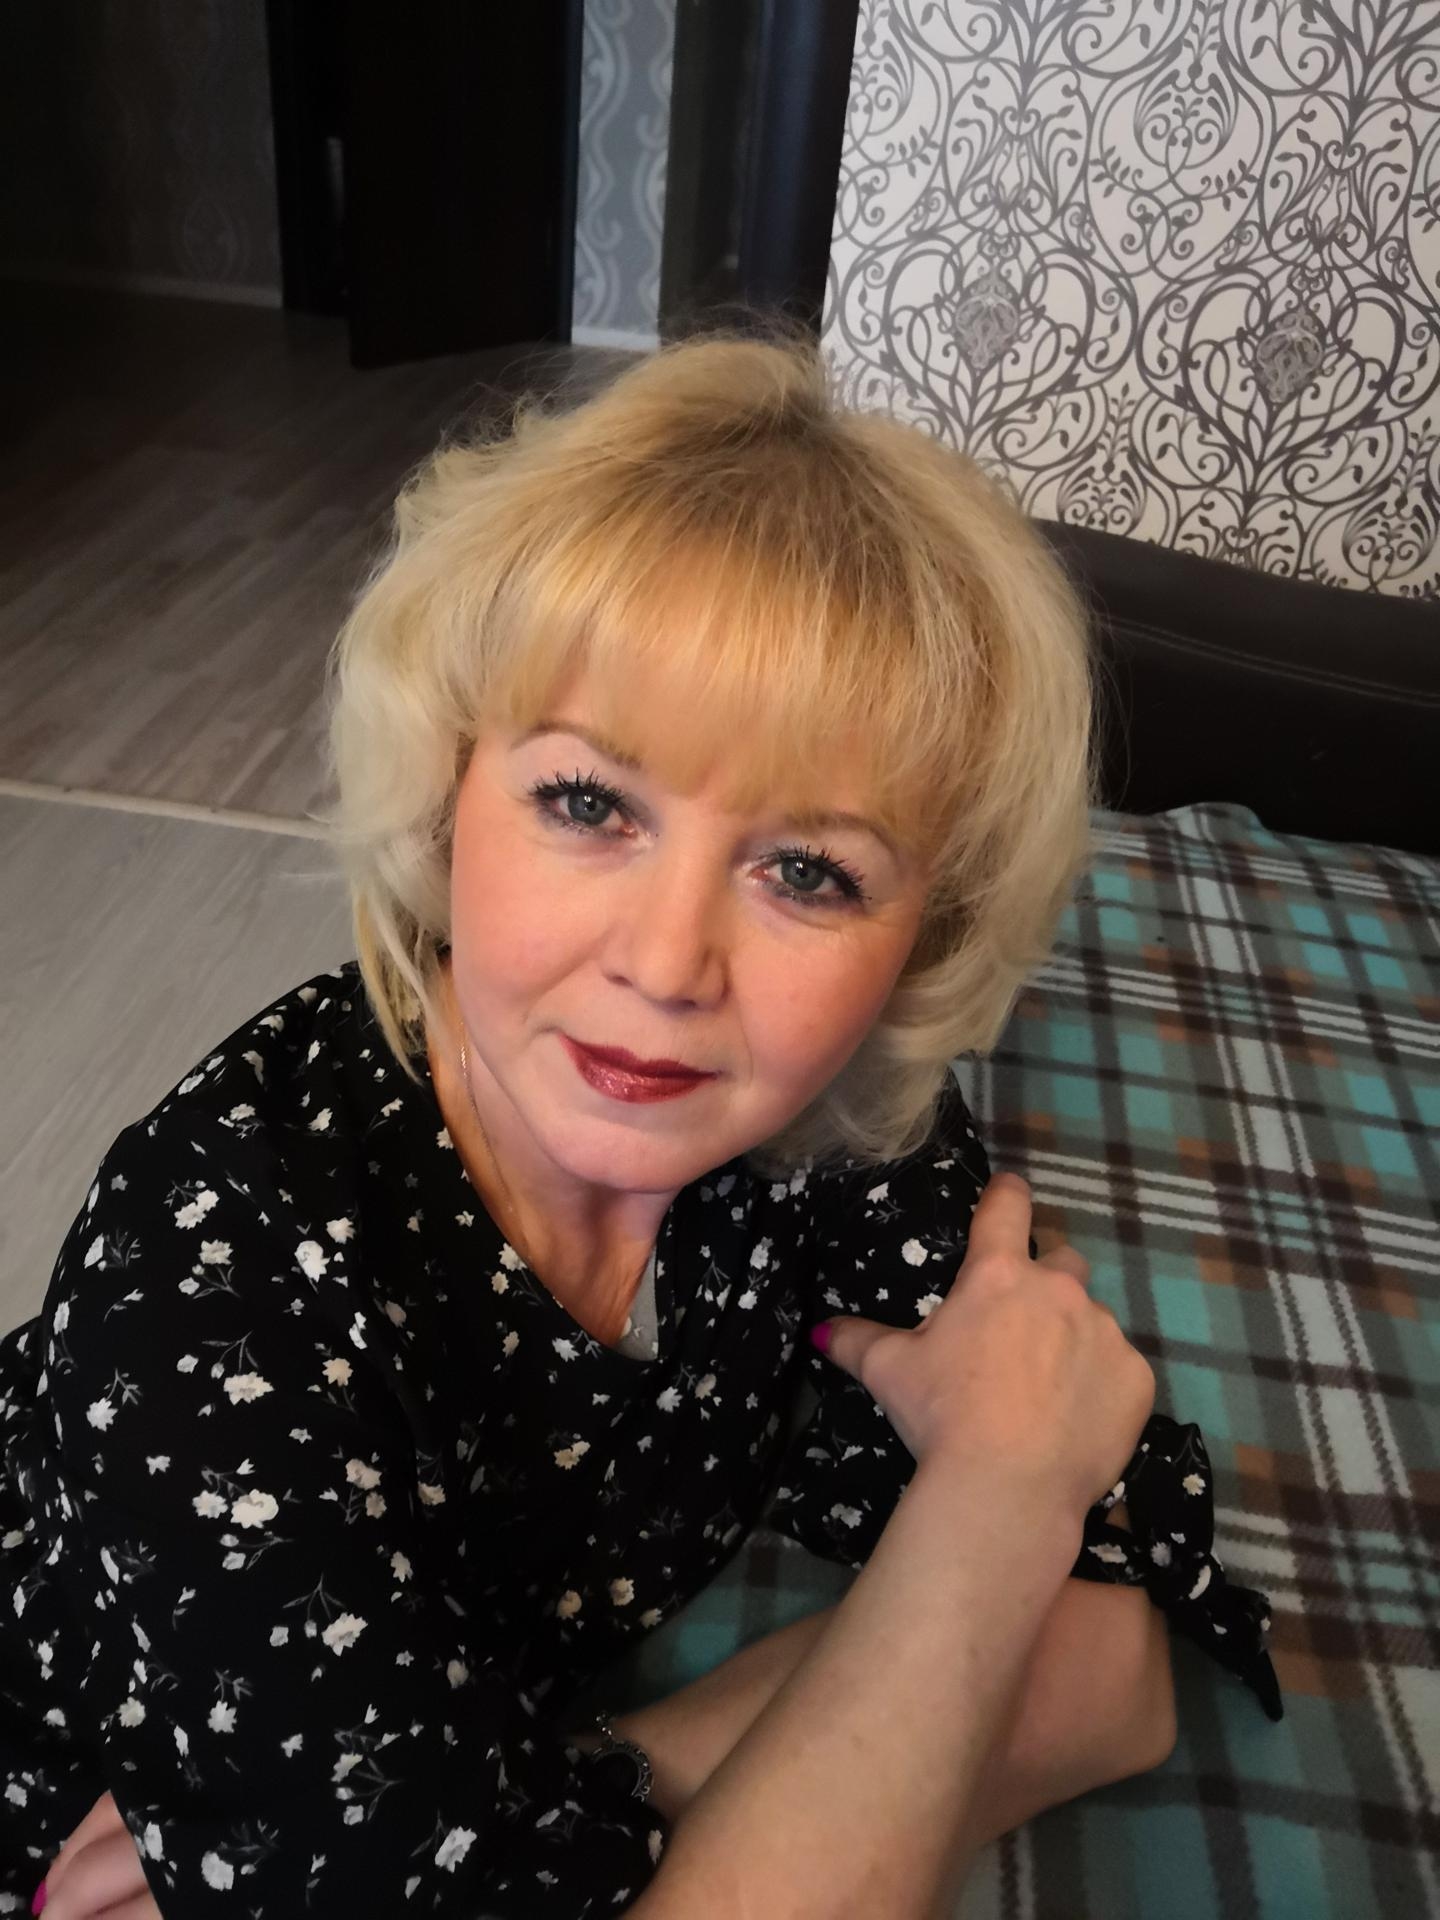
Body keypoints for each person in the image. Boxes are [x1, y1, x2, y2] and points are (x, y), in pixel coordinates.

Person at [1, 327, 1281, 1919]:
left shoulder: (831, 1137)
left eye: (809, 871)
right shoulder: (217, 1279)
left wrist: (565, 1795)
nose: (669, 968)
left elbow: (1115, 1663)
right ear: (444, 792)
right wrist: (978, 1546)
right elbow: (1028, 1648)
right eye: (588, 802)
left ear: (924, 936)